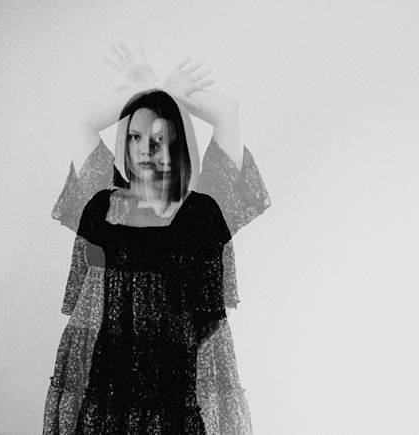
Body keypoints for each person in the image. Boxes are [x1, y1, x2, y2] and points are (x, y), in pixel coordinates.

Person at [43, 44, 270, 435]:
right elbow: (81, 119)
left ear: (181, 143)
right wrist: (146, 88)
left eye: (161, 138)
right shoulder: (102, 202)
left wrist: (168, 92)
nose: (145, 150)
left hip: (184, 379)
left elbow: (227, 111)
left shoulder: (207, 208)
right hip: (109, 376)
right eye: (135, 136)